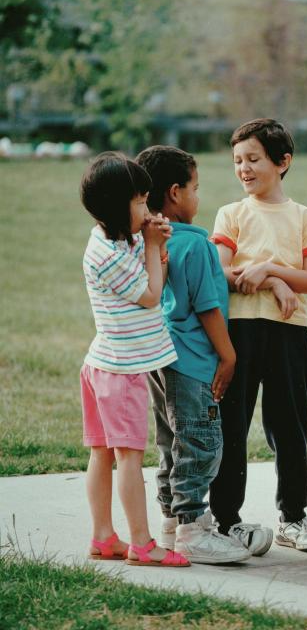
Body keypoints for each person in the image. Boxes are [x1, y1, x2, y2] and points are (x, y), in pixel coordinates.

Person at [210, 118, 307, 552]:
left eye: (253, 159)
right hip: (238, 335)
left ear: (283, 162)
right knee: (232, 427)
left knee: (290, 428)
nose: (243, 168)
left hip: (288, 334)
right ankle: (226, 521)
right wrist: (273, 281)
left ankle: (293, 518)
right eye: (237, 161)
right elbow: (218, 273)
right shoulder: (231, 214)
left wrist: (272, 270)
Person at [135, 145, 252, 564]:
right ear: (175, 193)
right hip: (193, 361)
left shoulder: (151, 242)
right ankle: (192, 529)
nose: (198, 197)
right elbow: (206, 307)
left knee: (171, 441)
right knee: (201, 441)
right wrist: (229, 356)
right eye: (195, 188)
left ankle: (170, 522)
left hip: (160, 358)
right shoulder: (197, 245)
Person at [79, 151, 189, 568]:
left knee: (102, 453)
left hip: (102, 365)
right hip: (120, 370)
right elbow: (150, 295)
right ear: (115, 204)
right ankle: (143, 543)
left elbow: (144, 259)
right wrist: (155, 246)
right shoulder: (106, 257)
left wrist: (150, 238)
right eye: (141, 202)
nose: (147, 210)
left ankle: (104, 537)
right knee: (127, 456)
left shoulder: (110, 236)